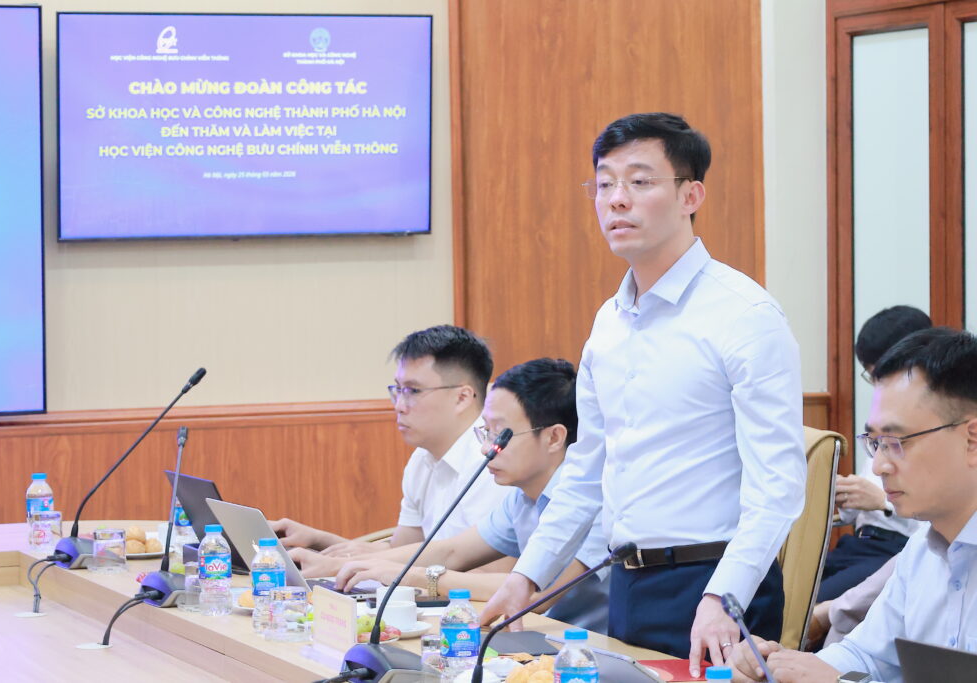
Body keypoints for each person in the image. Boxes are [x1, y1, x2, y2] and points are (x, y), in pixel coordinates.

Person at [480, 112, 806, 678]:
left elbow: (777, 485)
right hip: (626, 583)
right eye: (604, 183)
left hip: (715, 586)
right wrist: (525, 577)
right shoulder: (609, 322)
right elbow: (585, 471)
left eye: (639, 181)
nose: (616, 199)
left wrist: (723, 597)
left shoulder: (745, 315)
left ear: (690, 195)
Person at [729, 327, 977, 683]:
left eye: (897, 441)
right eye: (875, 443)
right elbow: (866, 655)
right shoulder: (922, 551)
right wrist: (782, 666)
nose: (879, 466)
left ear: (972, 440)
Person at [300, 358, 612, 633]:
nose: (486, 448)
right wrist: (338, 566)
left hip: (589, 653)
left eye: (501, 434)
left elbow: (534, 593)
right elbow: (452, 552)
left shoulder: (595, 500)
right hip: (534, 637)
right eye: (486, 432)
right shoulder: (522, 498)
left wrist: (412, 577)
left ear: (554, 437)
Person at [270, 325, 508, 555]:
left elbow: (486, 571)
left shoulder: (493, 463)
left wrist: (342, 566)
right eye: (398, 390)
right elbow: (401, 551)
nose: (399, 406)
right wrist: (316, 540)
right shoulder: (423, 457)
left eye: (413, 391)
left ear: (462, 398)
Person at [818, 305, 932, 603]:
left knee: (809, 606)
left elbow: (942, 522)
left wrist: (882, 502)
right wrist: (842, 497)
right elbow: (864, 503)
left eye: (880, 375)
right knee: (781, 591)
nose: (878, 387)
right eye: (872, 376)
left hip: (896, 550)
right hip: (858, 544)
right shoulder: (883, 419)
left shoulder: (939, 425)